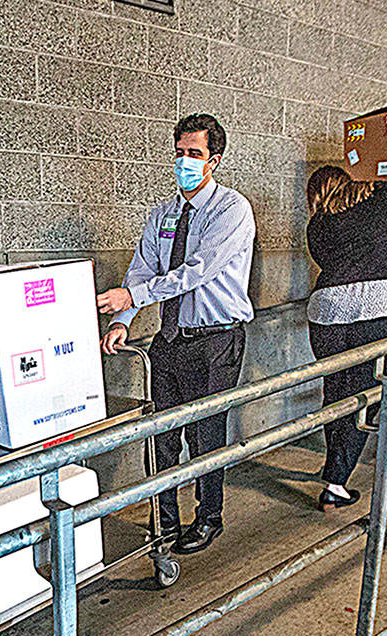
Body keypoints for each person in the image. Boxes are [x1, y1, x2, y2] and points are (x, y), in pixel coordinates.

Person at [97, 114, 255, 555]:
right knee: (163, 435)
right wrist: (122, 321)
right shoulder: (162, 215)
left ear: (214, 160)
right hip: (170, 337)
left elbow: (197, 272)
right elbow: (143, 268)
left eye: (195, 154)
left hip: (215, 339)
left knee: (205, 433)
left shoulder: (231, 210)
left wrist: (132, 297)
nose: (185, 161)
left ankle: (208, 517)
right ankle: (163, 521)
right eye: (180, 152)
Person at [304, 166, 387, 510]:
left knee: (335, 389)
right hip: (385, 305)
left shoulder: (317, 223)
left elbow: (329, 263)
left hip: (328, 309)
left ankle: (335, 465)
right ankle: (335, 483)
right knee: (365, 393)